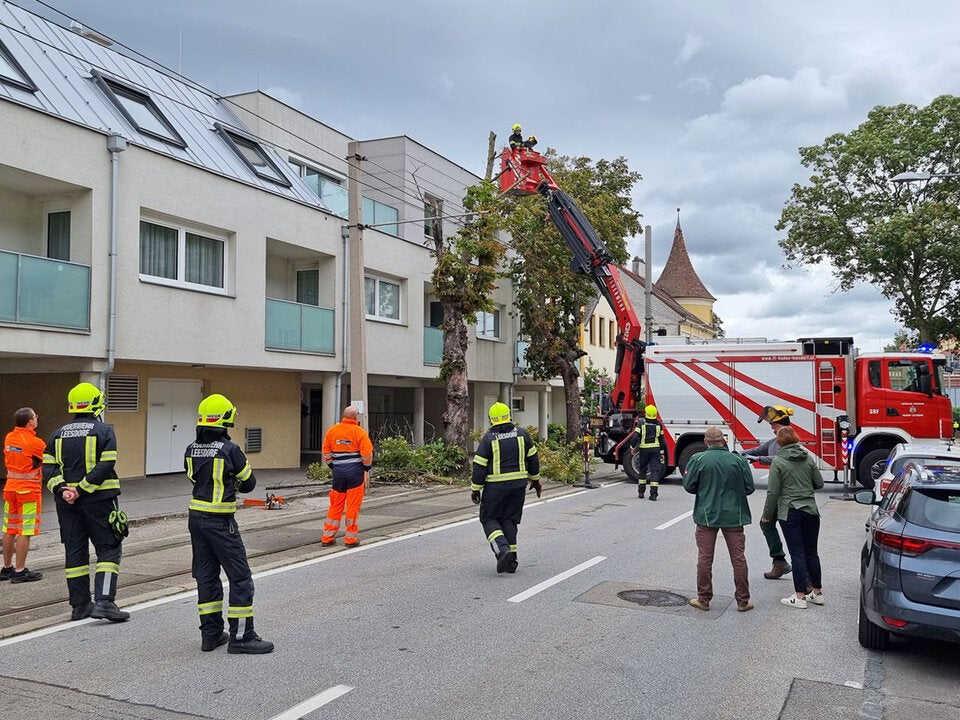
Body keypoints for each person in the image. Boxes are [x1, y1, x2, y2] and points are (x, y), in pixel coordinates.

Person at [186, 393, 273, 654]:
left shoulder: (191, 448)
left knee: (206, 577)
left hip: (196, 518)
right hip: (221, 521)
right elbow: (249, 484)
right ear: (225, 419)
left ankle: (211, 635)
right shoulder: (230, 450)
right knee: (241, 578)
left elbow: (194, 479)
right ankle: (242, 636)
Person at [43, 382, 129, 622]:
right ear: (96, 403)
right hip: (99, 500)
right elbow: (106, 464)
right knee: (109, 548)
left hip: (67, 504)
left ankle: (80, 606)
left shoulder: (56, 434)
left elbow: (48, 468)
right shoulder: (104, 431)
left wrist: (63, 490)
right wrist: (82, 489)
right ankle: (104, 602)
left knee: (75, 551)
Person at [682, 426, 755, 612]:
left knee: (705, 558)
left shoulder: (698, 459)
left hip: (707, 515)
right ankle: (743, 601)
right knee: (738, 558)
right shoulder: (738, 460)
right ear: (723, 441)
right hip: (734, 515)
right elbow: (749, 488)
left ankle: (704, 599)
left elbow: (689, 486)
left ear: (706, 442)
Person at [470, 402, 541, 574]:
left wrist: (475, 489)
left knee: (488, 519)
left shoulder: (488, 439)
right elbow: (533, 460)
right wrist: (535, 480)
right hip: (518, 487)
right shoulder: (523, 435)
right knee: (509, 520)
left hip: (495, 488)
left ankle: (502, 549)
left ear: (491, 419)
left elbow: (479, 467)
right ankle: (511, 562)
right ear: (509, 415)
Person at [762, 426, 825, 609]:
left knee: (797, 554)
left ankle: (799, 597)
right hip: (811, 511)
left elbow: (773, 492)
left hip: (790, 511)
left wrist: (767, 515)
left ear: (780, 442)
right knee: (812, 552)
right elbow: (819, 483)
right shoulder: (808, 458)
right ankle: (817, 592)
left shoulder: (779, 461)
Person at [742, 405, 795, 580]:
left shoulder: (790, 442)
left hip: (787, 495)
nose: (771, 428)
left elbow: (779, 458)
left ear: (781, 424)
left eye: (773, 424)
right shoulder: (773, 442)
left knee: (792, 531)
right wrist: (740, 454)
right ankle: (779, 561)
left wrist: (756, 459)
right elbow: (757, 451)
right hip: (776, 491)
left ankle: (807, 576)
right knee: (766, 524)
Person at [2, 408, 46, 583]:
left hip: (10, 489)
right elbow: (51, 457)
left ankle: (6, 568)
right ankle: (20, 571)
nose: (37, 419)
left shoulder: (9, 438)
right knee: (25, 531)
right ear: (30, 422)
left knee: (9, 529)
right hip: (28, 492)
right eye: (35, 416)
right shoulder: (35, 442)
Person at [321, 405, 373, 548]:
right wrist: (367, 467)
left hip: (339, 475)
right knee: (352, 506)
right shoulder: (359, 432)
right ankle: (350, 539)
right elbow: (367, 454)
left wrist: (333, 465)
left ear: (343, 416)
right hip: (355, 475)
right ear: (356, 418)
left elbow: (326, 451)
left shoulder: (332, 431)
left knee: (335, 505)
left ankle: (327, 537)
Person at [626, 404, 666, 501]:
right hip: (655, 450)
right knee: (654, 471)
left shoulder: (641, 424)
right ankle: (653, 494)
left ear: (646, 413)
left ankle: (641, 492)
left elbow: (635, 437)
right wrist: (661, 452)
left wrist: (632, 447)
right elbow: (662, 441)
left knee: (642, 470)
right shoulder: (658, 425)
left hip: (644, 450)